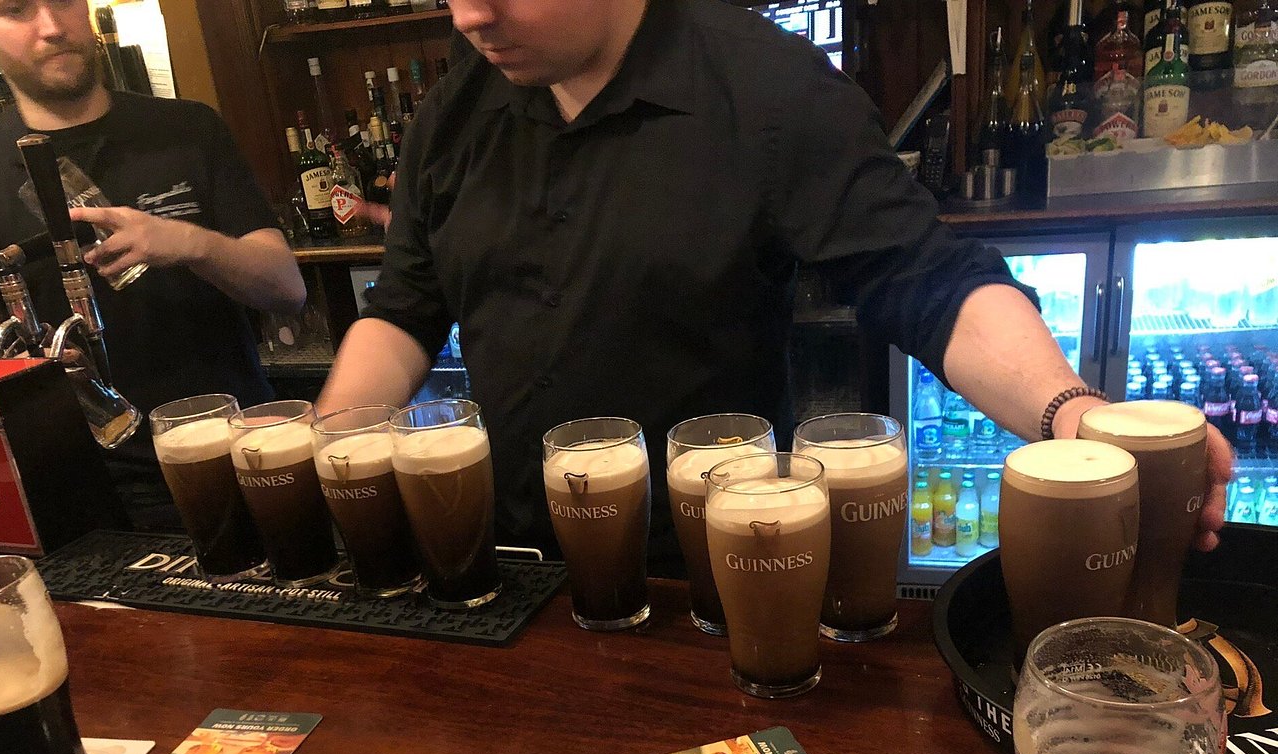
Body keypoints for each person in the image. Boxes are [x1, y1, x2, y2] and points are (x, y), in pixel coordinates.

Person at [317, 0, 1232, 573]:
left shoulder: (765, 87)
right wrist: (324, 453)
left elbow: (921, 276)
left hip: (723, 574)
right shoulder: (453, 113)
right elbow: (403, 311)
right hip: (499, 562)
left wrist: (1068, 409)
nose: (470, 16)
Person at [0, 0, 306, 524]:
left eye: (63, 2)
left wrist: (191, 242)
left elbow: (286, 287)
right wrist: (30, 377)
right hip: (84, 491)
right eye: (16, 10)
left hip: (241, 456)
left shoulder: (190, 128)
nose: (53, 27)